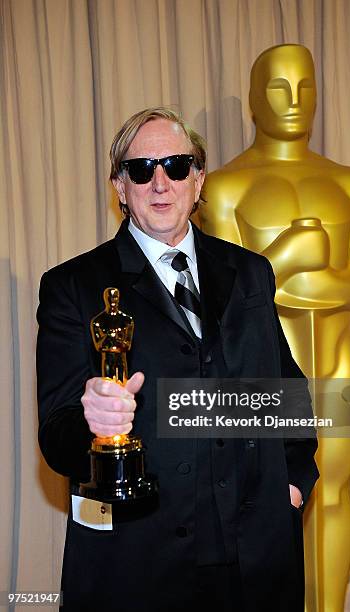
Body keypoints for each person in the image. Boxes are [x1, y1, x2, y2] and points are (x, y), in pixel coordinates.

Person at [37, 106, 319, 612]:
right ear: (120, 187)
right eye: (141, 169)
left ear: (199, 176)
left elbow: (285, 391)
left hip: (253, 562)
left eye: (176, 165)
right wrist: (92, 424)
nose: (160, 182)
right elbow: (58, 436)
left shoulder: (251, 273)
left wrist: (295, 483)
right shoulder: (72, 287)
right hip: (136, 563)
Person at [201, 44, 350, 611]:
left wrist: (279, 271)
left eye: (305, 86)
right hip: (261, 374)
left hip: (336, 362)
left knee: (333, 496)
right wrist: (296, 252)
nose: (295, 100)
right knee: (263, 504)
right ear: (254, 100)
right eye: (278, 87)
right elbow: (225, 299)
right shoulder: (225, 187)